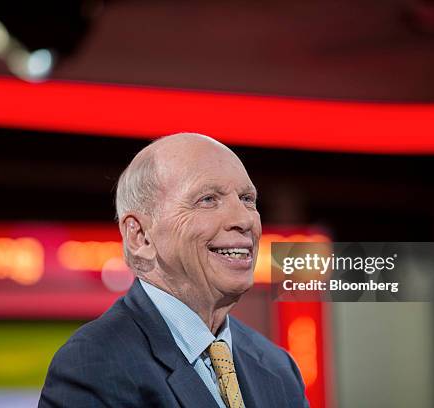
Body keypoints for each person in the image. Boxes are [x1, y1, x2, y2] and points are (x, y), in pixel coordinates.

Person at [38, 133, 309, 408]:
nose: (244, 219)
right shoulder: (93, 365)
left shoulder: (278, 369)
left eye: (247, 199)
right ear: (141, 236)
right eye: (208, 199)